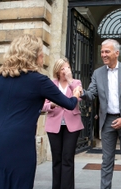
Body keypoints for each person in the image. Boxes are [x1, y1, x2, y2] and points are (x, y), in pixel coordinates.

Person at [0, 34, 81, 189]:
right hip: (18, 144)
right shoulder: (39, 80)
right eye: (41, 54)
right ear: (34, 56)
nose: (43, 57)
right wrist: (75, 95)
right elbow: (68, 103)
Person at [80, 39, 121, 189]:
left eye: (107, 51)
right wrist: (81, 92)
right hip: (107, 121)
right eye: (102, 51)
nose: (103, 54)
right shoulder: (97, 73)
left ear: (117, 53)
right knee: (107, 160)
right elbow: (91, 93)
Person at [42, 58, 84, 189]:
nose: (66, 71)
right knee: (57, 159)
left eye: (68, 68)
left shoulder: (76, 82)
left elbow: (80, 98)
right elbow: (43, 106)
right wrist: (53, 105)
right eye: (63, 68)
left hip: (72, 125)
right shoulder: (50, 84)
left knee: (68, 159)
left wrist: (71, 80)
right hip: (54, 125)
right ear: (57, 71)